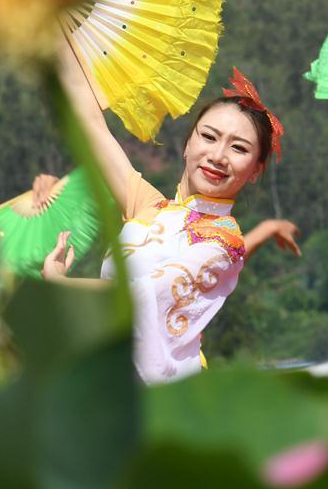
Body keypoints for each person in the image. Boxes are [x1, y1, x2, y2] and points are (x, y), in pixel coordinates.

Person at [42, 49, 289, 385]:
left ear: (256, 169)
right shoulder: (147, 206)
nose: (218, 156)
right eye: (209, 136)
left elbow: (139, 301)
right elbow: (88, 120)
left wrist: (61, 284)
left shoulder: (221, 244)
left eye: (239, 148)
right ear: (187, 143)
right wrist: (54, 31)